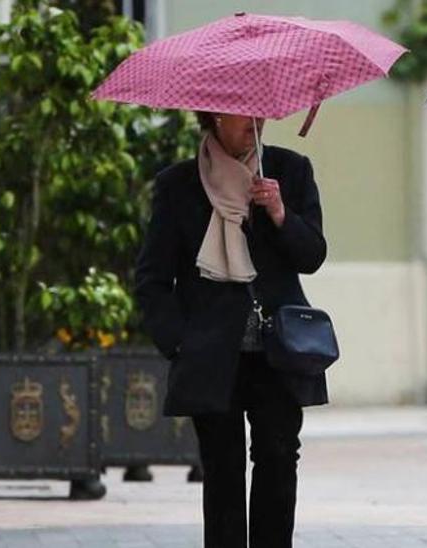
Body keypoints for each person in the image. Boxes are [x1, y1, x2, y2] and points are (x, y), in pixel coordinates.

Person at [136, 113, 328, 547]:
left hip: (279, 349)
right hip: (209, 353)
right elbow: (152, 278)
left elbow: (312, 255)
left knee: (278, 458)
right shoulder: (178, 185)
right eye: (244, 112)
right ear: (215, 116)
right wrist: (179, 343)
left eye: (261, 111)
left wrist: (280, 213)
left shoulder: (290, 171)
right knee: (221, 469)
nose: (256, 121)